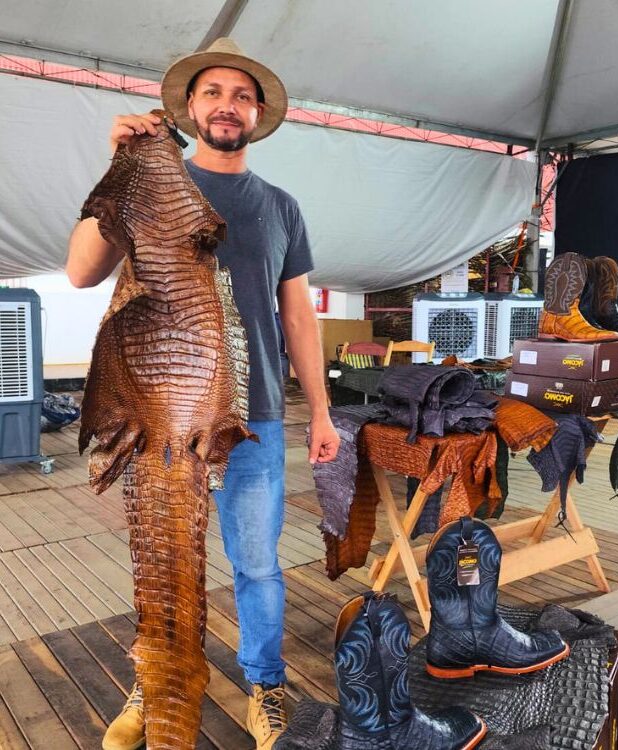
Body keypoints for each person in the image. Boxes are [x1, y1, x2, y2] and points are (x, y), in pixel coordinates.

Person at [65, 37, 340, 750]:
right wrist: (119, 164)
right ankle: (157, 678)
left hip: (256, 420)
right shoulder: (151, 180)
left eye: (242, 95)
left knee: (256, 564)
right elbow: (80, 272)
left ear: (257, 115)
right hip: (161, 411)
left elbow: (299, 319)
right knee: (161, 555)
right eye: (214, 93)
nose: (228, 105)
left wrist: (323, 411)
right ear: (189, 107)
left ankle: (265, 685)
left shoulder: (281, 207)